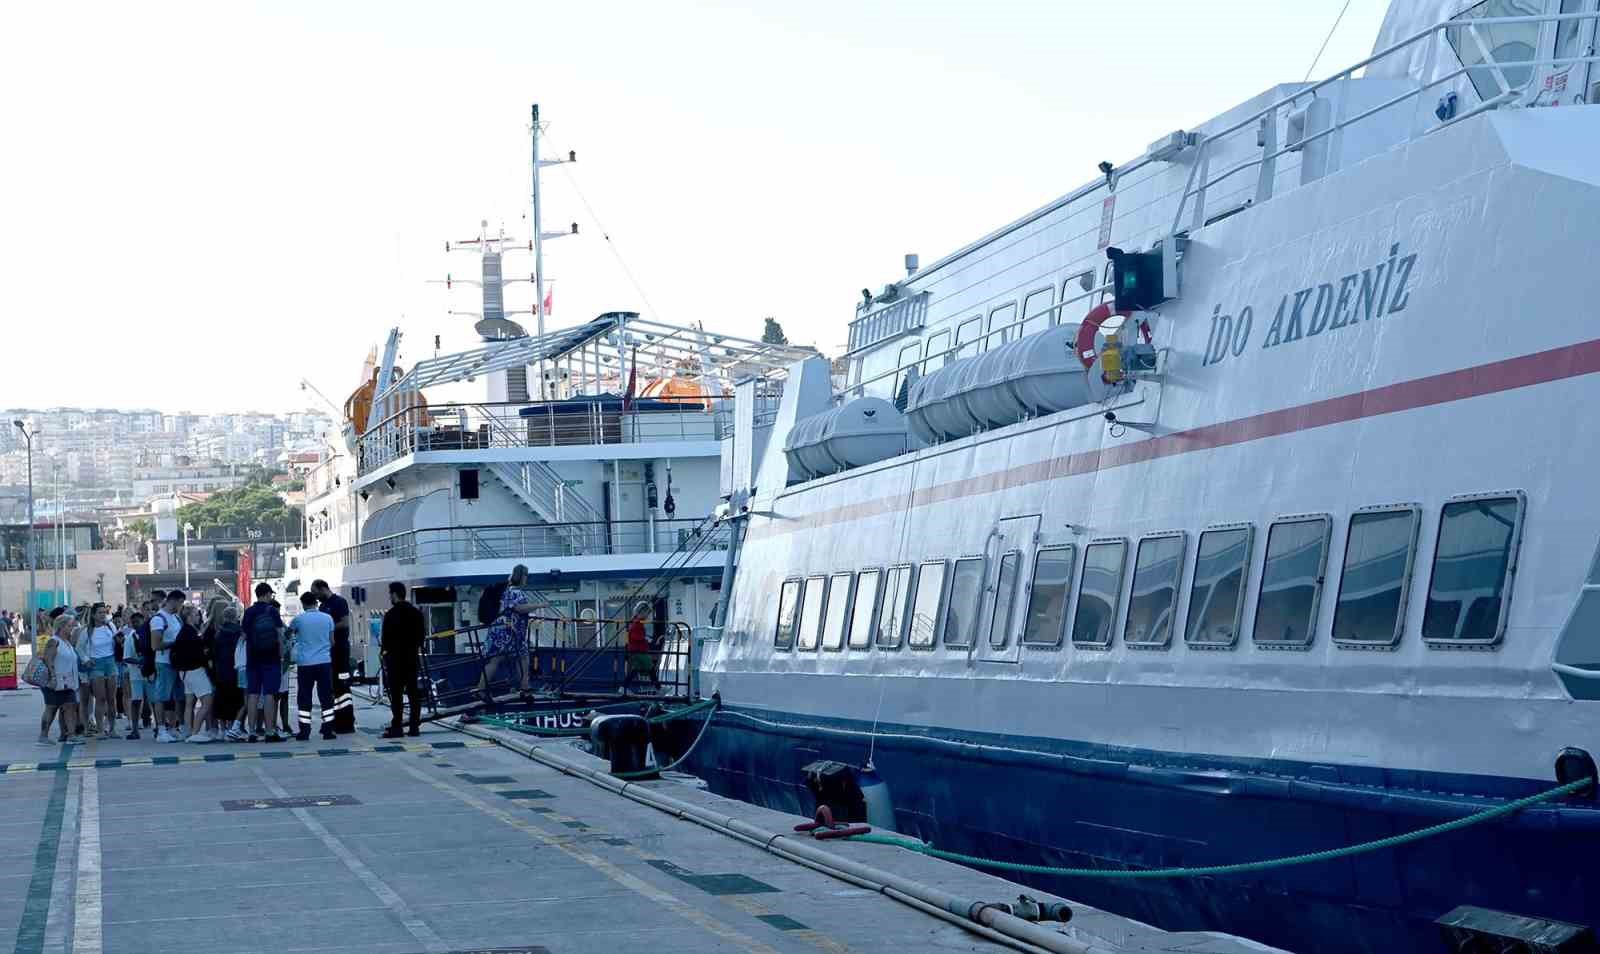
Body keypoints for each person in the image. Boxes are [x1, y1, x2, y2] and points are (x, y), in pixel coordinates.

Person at [477, 565, 536, 701]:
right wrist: (539, 605)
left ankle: (481, 689)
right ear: (521, 576)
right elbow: (519, 608)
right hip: (508, 631)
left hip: (501, 629)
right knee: (522, 656)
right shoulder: (515, 591)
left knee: (501, 658)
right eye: (526, 575)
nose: (527, 578)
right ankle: (524, 687)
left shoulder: (507, 589)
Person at [240, 583, 286, 743]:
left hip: (253, 658)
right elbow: (280, 635)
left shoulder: (249, 612)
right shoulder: (272, 611)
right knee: (269, 694)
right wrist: (281, 654)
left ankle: (252, 732)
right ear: (266, 594)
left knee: (252, 694)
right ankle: (269, 731)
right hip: (271, 658)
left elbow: (244, 635)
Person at [290, 592, 337, 741]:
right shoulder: (327, 618)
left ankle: (305, 731)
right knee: (326, 697)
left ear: (303, 604)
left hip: (305, 664)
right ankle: (328, 730)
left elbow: (288, 635)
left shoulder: (298, 620)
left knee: (304, 697)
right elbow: (332, 641)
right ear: (316, 602)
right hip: (324, 662)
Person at [380, 582, 425, 738]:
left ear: (394, 594)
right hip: (412, 658)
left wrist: (384, 655)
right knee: (413, 694)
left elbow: (385, 640)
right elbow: (421, 637)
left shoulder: (390, 615)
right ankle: (414, 727)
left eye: (390, 594)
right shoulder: (416, 613)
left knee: (397, 695)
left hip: (395, 660)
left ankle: (397, 727)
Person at [310, 580, 355, 733]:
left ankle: (347, 722)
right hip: (328, 653)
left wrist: (328, 628)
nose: (316, 598)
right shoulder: (322, 607)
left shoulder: (339, 602)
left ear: (323, 589)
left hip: (340, 651)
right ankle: (332, 721)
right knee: (330, 687)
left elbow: (345, 623)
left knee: (342, 686)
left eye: (316, 593)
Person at [173, 605, 214, 743]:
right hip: (195, 671)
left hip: (184, 673)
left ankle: (189, 731)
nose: (199, 617)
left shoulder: (184, 631)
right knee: (207, 702)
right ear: (189, 617)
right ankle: (195, 732)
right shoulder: (190, 633)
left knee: (190, 703)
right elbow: (198, 654)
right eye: (196, 615)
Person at [149, 590, 185, 742]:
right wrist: (175, 644)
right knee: (162, 697)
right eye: (181, 603)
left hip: (176, 662)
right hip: (164, 663)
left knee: (178, 696)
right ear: (174, 601)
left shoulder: (175, 617)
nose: (181, 606)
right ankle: (161, 729)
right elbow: (155, 645)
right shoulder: (159, 619)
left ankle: (173, 727)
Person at [39, 615, 81, 745]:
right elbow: (48, 660)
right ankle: (43, 736)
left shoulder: (66, 642)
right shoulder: (54, 641)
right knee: (51, 708)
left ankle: (71, 735)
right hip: (55, 681)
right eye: (69, 625)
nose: (72, 628)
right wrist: (52, 678)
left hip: (68, 682)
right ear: (62, 627)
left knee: (70, 707)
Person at [82, 603, 119, 738]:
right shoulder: (88, 630)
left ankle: (113, 728)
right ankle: (100, 729)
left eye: (104, 612)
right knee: (100, 698)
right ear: (93, 615)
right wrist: (86, 659)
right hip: (96, 664)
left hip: (110, 662)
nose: (103, 615)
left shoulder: (111, 626)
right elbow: (79, 648)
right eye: (100, 613)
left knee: (111, 698)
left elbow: (117, 640)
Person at [210, 605, 244, 741]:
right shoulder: (239, 632)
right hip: (235, 670)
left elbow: (214, 653)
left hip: (221, 670)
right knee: (235, 700)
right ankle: (232, 728)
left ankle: (222, 729)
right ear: (236, 617)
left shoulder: (219, 632)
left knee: (221, 699)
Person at [121, 611, 149, 740]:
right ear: (131, 624)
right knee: (136, 700)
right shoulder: (130, 638)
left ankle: (158, 726)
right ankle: (135, 728)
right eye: (135, 622)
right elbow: (126, 658)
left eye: (140, 621)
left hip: (150, 673)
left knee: (154, 701)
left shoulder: (148, 635)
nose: (138, 624)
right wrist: (139, 661)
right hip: (136, 675)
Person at [622, 602, 659, 692]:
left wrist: (645, 638)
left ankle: (623, 688)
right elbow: (635, 636)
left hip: (635, 650)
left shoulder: (635, 622)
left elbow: (633, 636)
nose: (648, 616)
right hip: (639, 651)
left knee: (635, 670)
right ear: (642, 612)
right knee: (651, 669)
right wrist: (646, 639)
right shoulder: (637, 623)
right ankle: (658, 688)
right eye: (647, 613)